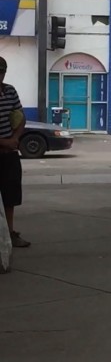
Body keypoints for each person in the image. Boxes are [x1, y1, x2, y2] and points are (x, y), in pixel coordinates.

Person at [0, 56, 30, 248]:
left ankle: (9, 235)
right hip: (5, 146)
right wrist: (5, 142)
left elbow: (20, 118)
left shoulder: (10, 91)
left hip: (9, 155)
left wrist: (15, 139)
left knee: (10, 197)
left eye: (1, 72)